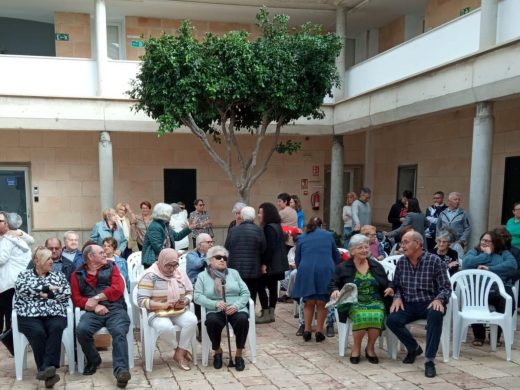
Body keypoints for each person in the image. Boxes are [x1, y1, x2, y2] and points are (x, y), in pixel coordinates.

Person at [385, 231, 451, 378]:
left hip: (429, 302)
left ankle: (429, 361)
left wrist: (439, 299)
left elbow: (446, 287)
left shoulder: (434, 261)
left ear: (418, 244)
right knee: (392, 320)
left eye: (405, 242)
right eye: (402, 242)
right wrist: (397, 297)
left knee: (435, 314)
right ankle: (413, 347)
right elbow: (396, 285)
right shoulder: (402, 262)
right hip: (409, 303)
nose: (402, 246)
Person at [71, 244, 131, 388]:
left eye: (104, 252)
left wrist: (97, 298)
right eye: (101, 252)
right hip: (93, 312)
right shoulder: (77, 275)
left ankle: (121, 371)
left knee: (119, 332)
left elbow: (118, 289)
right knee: (82, 330)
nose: (105, 254)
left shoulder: (112, 267)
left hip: (115, 308)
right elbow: (76, 298)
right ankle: (93, 360)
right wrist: (94, 305)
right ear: (91, 257)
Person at [329, 234, 391, 364]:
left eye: (366, 247)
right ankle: (356, 348)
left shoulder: (375, 265)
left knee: (377, 314)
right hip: (353, 301)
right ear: (352, 251)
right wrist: (335, 290)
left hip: (375, 299)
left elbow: (387, 281)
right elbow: (332, 283)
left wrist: (390, 287)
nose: (364, 250)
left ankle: (370, 348)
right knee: (361, 315)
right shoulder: (343, 267)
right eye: (360, 248)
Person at [14, 247, 71, 388]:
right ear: (37, 261)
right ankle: (49, 372)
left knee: (57, 327)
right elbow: (22, 289)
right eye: (48, 259)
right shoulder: (24, 275)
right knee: (37, 332)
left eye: (52, 258)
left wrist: (44, 293)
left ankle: (46, 369)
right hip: (29, 314)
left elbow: (66, 292)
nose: (52, 261)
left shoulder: (58, 275)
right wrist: (47, 288)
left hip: (54, 313)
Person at [137, 248, 197, 371]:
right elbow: (141, 301)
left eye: (174, 265)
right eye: (168, 265)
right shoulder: (150, 275)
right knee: (165, 326)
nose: (171, 269)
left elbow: (190, 292)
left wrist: (184, 301)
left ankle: (180, 352)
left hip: (176, 310)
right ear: (160, 262)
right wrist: (161, 305)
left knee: (192, 320)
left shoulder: (179, 273)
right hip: (156, 311)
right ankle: (178, 351)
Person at [194, 246, 251, 371]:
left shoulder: (234, 273)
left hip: (235, 307)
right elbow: (197, 296)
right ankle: (217, 351)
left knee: (242, 319)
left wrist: (236, 305)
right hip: (215, 308)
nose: (222, 260)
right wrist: (214, 304)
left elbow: (246, 293)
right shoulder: (202, 276)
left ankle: (239, 354)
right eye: (218, 257)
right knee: (212, 322)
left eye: (224, 257)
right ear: (210, 260)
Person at [462, 230, 517, 346]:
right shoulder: (475, 252)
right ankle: (479, 335)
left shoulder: (503, 253)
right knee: (473, 301)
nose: (484, 243)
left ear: (495, 243)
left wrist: (490, 269)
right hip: (479, 288)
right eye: (483, 240)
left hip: (499, 288)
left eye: (487, 241)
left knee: (508, 303)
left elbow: (512, 265)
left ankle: (495, 336)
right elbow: (466, 263)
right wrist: (485, 255)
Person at [292, 217, 340, 342]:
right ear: (321, 225)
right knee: (322, 301)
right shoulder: (329, 236)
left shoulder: (301, 238)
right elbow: (336, 256)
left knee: (308, 301)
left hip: (306, 269)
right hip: (325, 269)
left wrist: (302, 268)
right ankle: (319, 330)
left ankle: (307, 330)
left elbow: (297, 259)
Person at [0, 212, 32, 356]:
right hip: (17, 282)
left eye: (0, 220)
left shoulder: (8, 239)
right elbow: (30, 240)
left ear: (7, 224)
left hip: (8, 283)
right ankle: (15, 346)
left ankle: (13, 346)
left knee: (9, 314)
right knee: (12, 315)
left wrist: (17, 232)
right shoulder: (16, 237)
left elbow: (1, 258)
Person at [256, 202, 289, 324]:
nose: (258, 215)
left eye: (260, 212)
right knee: (273, 287)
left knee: (260, 286)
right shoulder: (277, 226)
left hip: (271, 264)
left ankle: (266, 312)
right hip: (278, 264)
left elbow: (269, 248)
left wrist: (264, 263)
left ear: (266, 214)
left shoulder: (269, 228)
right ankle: (271, 312)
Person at [225, 206, 266, 303]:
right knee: (251, 294)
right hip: (253, 269)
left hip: (235, 269)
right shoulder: (259, 230)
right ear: (253, 217)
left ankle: (238, 313)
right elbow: (263, 249)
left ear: (242, 217)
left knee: (237, 294)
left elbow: (226, 248)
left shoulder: (233, 230)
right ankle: (250, 314)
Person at [142, 203, 192, 268]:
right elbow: (158, 248)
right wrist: (174, 254)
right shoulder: (155, 226)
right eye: (170, 213)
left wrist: (189, 228)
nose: (171, 215)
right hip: (154, 262)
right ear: (164, 214)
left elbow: (177, 236)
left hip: (164, 259)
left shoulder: (165, 225)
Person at [186, 233, 213, 340]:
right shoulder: (191, 255)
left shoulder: (212, 255)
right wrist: (209, 258)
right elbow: (197, 264)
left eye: (212, 242)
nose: (211, 244)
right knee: (198, 298)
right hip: (194, 286)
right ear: (200, 244)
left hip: (210, 286)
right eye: (208, 242)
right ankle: (202, 329)